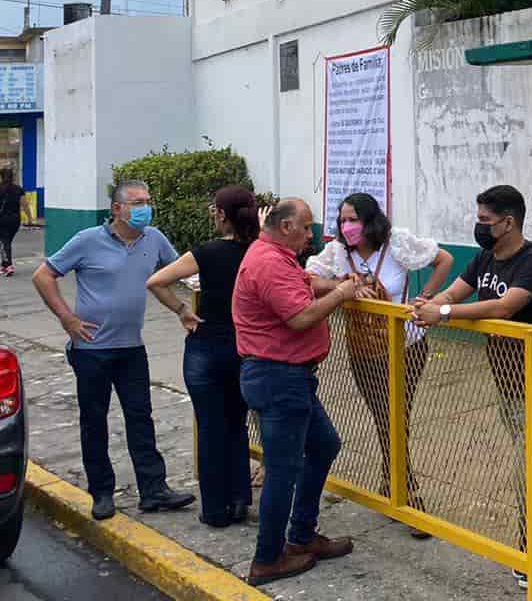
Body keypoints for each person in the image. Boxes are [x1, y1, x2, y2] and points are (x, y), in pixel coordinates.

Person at [414, 185, 532, 588]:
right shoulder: (486, 257)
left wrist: (444, 313)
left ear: (509, 222)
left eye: (486, 221)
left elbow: (505, 306)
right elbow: (458, 288)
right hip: (508, 380)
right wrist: (429, 302)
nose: (479, 227)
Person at [31, 180, 196, 521]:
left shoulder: (155, 239)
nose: (145, 208)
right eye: (137, 202)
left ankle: (153, 490)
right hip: (92, 349)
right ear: (117, 209)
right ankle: (102, 492)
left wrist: (180, 309)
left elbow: (168, 277)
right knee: (94, 421)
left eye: (148, 201)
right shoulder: (87, 241)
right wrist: (68, 319)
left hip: (131, 348)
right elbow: (43, 276)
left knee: (140, 417)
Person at [234, 198, 361, 585]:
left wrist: (336, 284)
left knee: (324, 445)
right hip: (278, 378)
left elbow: (304, 281)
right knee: (282, 471)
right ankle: (268, 558)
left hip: (290, 378)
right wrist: (341, 295)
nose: (311, 235)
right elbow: (300, 317)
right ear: (286, 227)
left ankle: (302, 536)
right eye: (306, 228)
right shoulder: (269, 262)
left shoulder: (274, 253)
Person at [306, 191, 451, 528]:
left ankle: (400, 487)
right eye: (342, 220)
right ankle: (403, 489)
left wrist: (426, 296)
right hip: (365, 349)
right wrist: (342, 286)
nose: (347, 226)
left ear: (370, 221)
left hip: (408, 346)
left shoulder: (397, 243)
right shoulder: (338, 253)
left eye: (353, 219)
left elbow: (442, 259)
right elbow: (310, 279)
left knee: (399, 415)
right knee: (387, 417)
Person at [144, 186, 258, 528]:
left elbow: (157, 280)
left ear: (222, 215)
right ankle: (240, 500)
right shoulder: (258, 252)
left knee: (211, 429)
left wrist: (182, 311)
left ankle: (215, 509)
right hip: (244, 348)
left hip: (206, 347)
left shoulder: (206, 252)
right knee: (237, 424)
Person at [0, 166, 25, 277]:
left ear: (0, 176)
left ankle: (9, 266)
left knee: (4, 242)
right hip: (14, 221)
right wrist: (30, 217)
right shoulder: (18, 189)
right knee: (6, 242)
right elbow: (24, 204)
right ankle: (3, 265)